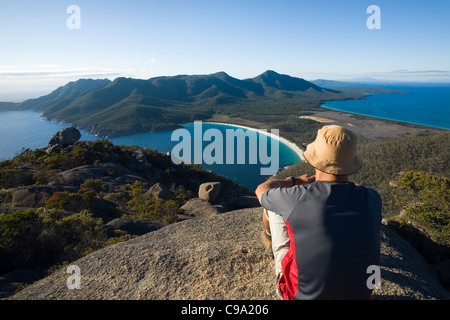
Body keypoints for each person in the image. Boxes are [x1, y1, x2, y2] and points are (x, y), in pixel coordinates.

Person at [255, 125, 382, 300]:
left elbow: (262, 190)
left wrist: (295, 181)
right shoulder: (373, 198)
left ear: (315, 158)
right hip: (362, 295)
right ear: (350, 163)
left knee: (272, 206)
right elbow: (359, 189)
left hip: (297, 295)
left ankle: (270, 241)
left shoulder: (297, 198)